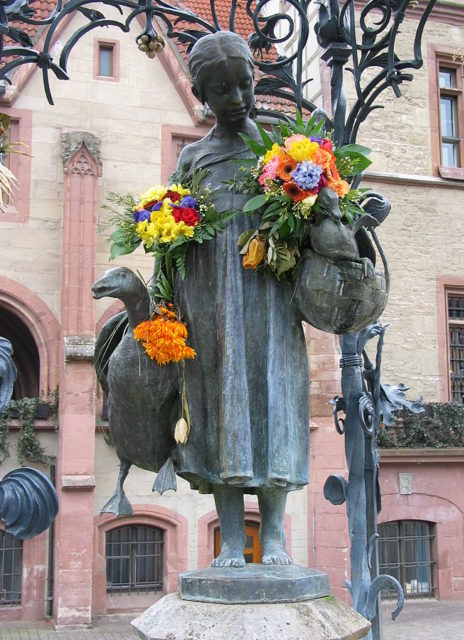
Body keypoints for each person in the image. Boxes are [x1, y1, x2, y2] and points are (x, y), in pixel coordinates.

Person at [172, 31, 310, 567]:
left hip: (271, 298)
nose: (236, 97)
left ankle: (273, 536)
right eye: (221, 89)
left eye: (243, 84)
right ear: (203, 97)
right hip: (209, 302)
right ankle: (232, 538)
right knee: (219, 403)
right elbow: (171, 233)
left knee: (272, 398)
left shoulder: (281, 149)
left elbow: (314, 213)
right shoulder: (193, 157)